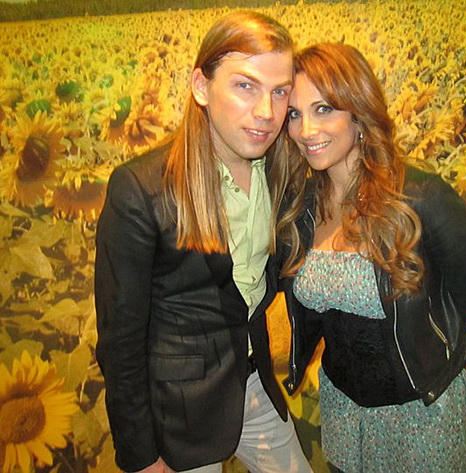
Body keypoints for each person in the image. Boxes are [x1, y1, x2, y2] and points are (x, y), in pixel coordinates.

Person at [95, 11, 312, 473]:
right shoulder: (142, 189)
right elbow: (120, 342)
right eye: (245, 86)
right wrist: (140, 456)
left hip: (253, 384)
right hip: (180, 413)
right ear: (201, 86)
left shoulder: (284, 172)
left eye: (279, 92)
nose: (266, 112)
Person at [277, 43, 466, 473]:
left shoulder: (419, 197)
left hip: (422, 413)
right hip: (344, 408)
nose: (306, 129)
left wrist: (427, 334)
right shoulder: (301, 206)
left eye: (324, 109)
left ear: (358, 112)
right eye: (293, 114)